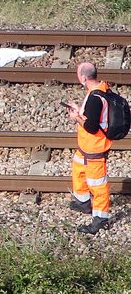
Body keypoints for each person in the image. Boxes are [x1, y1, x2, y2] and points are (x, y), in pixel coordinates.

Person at [67, 62, 112, 234]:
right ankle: (83, 202)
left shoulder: (95, 98)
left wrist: (76, 118)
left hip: (95, 148)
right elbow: (95, 116)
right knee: (78, 167)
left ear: (84, 77)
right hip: (86, 147)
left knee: (97, 184)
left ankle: (100, 219)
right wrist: (79, 110)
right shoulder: (98, 90)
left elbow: (92, 127)